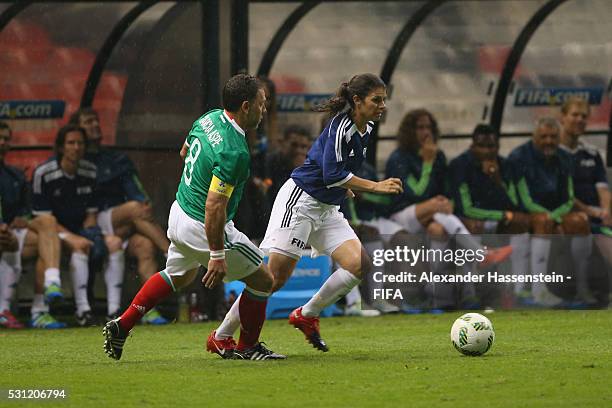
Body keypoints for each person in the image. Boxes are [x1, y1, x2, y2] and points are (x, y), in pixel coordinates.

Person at [210, 73, 403, 353]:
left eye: (384, 100)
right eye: (377, 100)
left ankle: (307, 314)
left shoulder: (367, 127)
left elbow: (330, 167)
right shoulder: (341, 127)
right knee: (272, 280)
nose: (382, 105)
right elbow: (333, 173)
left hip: (326, 207)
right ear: (358, 100)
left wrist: (343, 189)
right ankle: (221, 334)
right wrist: (375, 186)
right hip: (300, 202)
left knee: (359, 264)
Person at [104, 74, 284, 361]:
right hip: (204, 223)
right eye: (262, 104)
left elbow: (185, 150)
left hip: (180, 213)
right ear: (246, 106)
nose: (265, 110)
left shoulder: (209, 118)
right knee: (264, 280)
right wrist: (216, 254)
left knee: (181, 275)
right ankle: (246, 346)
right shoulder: (234, 152)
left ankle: (122, 324)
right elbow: (214, 206)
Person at [69, 108, 170, 324]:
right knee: (135, 210)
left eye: (96, 121)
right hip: (92, 224)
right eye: (88, 122)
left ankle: (148, 309)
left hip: (124, 224)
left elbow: (138, 194)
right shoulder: (76, 159)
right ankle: (171, 252)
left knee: (144, 245)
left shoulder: (116, 159)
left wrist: (142, 207)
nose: (94, 125)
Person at [33, 124, 124, 326]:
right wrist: (74, 237)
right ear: (61, 147)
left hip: (81, 229)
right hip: (54, 232)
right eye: (71, 143)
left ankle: (114, 312)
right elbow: (44, 220)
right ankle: (83, 311)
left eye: (80, 143)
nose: (76, 147)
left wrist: (92, 234)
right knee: (79, 245)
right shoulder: (43, 174)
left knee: (115, 242)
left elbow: (91, 213)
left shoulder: (90, 171)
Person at [508, 117, 592, 305]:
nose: (549, 141)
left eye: (553, 137)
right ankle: (540, 292)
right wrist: (551, 218)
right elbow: (523, 199)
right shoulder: (519, 157)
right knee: (543, 220)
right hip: (526, 212)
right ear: (534, 137)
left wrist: (556, 217)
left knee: (581, 220)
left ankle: (582, 288)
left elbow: (569, 197)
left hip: (556, 212)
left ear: (559, 137)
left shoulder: (565, 158)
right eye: (543, 136)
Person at [448, 124, 531, 302]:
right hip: (473, 220)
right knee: (473, 224)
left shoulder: (506, 165)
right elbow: (465, 208)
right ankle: (469, 293)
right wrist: (501, 216)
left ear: (497, 147)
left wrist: (498, 180)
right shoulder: (460, 165)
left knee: (522, 223)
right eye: (481, 146)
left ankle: (518, 290)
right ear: (472, 146)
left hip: (498, 220)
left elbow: (516, 204)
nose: (487, 151)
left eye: (491, 146)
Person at [0, 121, 65, 329]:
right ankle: (3, 309)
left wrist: (23, 219)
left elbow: (27, 209)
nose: (2, 143)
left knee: (46, 228)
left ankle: (41, 305)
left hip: (9, 233)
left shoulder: (15, 176)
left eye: (6, 139)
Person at [558, 97, 611, 303]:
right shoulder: (554, 153)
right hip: (573, 213)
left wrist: (606, 211)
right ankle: (581, 289)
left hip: (597, 217)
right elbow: (565, 194)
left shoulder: (591, 153)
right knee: (581, 223)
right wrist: (592, 212)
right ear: (562, 117)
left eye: (584, 116)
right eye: (574, 115)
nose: (579, 120)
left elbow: (603, 188)